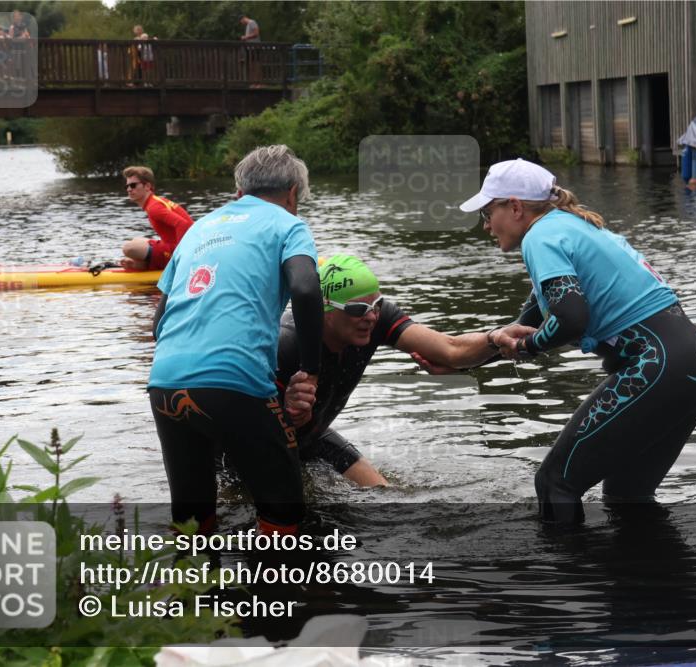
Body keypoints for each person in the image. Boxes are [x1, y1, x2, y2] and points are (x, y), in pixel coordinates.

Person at [459, 158, 696, 525]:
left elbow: (570, 318)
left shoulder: (539, 237)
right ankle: (654, 579)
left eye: (488, 212)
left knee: (554, 482)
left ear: (515, 206)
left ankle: (570, 581)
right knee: (627, 496)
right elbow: (526, 320)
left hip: (657, 366)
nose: (486, 225)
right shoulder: (569, 224)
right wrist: (464, 359)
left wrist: (526, 347)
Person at [148, 145, 323, 536]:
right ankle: (273, 593)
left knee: (192, 515)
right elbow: (307, 289)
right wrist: (310, 370)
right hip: (233, 380)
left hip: (164, 382)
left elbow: (159, 321)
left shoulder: (199, 229)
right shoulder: (287, 224)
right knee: (284, 503)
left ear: (239, 192)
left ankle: (194, 594)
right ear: (293, 193)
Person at [278, 254, 536, 487]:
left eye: (377, 304)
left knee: (385, 494)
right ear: (324, 309)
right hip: (265, 448)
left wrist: (496, 338)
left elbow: (451, 349)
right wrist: (285, 410)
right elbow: (244, 418)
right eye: (358, 309)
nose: (371, 317)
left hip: (315, 436)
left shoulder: (377, 320)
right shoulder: (285, 344)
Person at [121, 166, 194, 271]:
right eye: (127, 186)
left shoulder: (154, 208)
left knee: (128, 248)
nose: (128, 189)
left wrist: (180, 256)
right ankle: (141, 265)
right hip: (175, 244)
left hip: (181, 250)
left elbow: (183, 224)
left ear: (147, 186)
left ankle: (143, 265)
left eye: (133, 185)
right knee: (136, 240)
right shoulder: (156, 201)